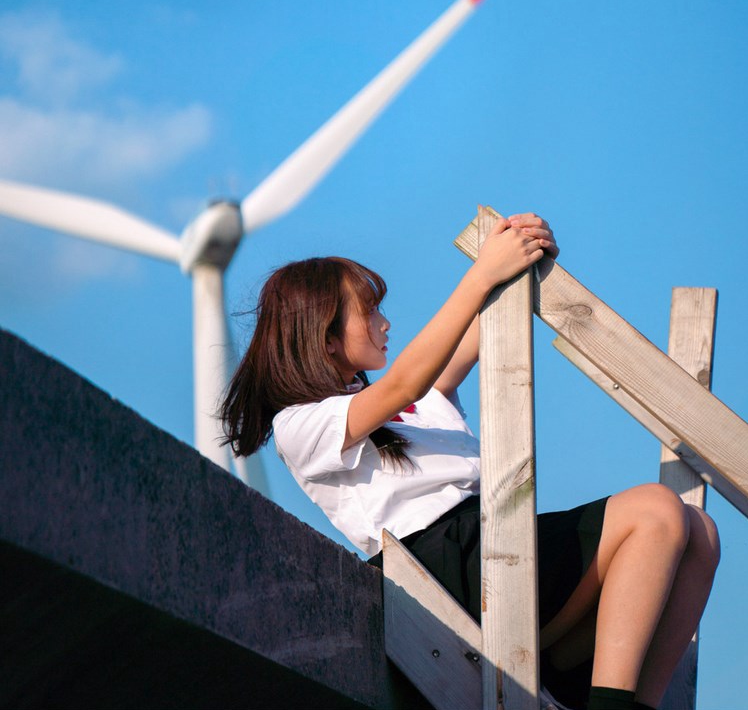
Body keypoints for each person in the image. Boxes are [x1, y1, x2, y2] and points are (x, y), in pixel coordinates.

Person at [222, 212, 720, 710]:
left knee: (700, 532)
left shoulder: (418, 404)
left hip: (495, 542)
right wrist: (480, 273)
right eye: (369, 311)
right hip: (440, 568)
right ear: (325, 336)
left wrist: (524, 258)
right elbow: (404, 382)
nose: (385, 322)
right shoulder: (303, 423)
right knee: (655, 509)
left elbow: (485, 326)